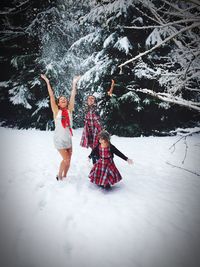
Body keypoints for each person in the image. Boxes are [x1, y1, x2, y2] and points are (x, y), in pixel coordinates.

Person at [41, 73, 80, 181]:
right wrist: (47, 82)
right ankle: (59, 175)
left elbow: (73, 95)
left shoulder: (69, 110)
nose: (63, 100)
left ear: (67, 102)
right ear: (58, 103)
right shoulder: (56, 111)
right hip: (59, 139)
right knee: (66, 159)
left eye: (64, 99)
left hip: (68, 138)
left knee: (69, 160)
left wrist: (74, 83)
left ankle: (65, 176)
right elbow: (52, 96)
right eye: (61, 99)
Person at [80, 95, 102, 164]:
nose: (90, 99)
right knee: (93, 147)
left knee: (99, 146)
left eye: (92, 98)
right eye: (89, 98)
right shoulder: (86, 109)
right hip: (89, 130)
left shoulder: (98, 108)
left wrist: (101, 131)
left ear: (95, 100)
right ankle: (95, 163)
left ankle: (100, 161)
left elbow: (101, 120)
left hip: (97, 130)